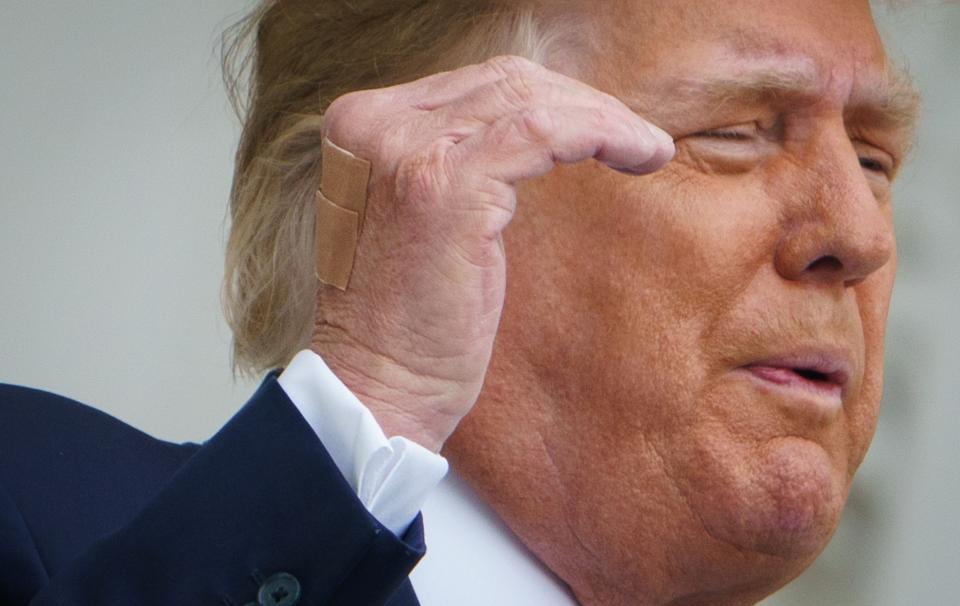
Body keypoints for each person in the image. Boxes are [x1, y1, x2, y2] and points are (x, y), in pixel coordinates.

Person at [0, 0, 920, 604]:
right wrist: (379, 392)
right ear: (420, 181)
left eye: (875, 159)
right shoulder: (32, 499)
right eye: (737, 133)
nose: (863, 234)